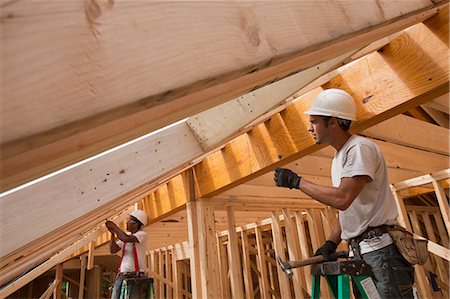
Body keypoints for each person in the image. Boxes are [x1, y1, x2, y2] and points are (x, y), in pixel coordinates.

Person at [273, 88, 415, 298]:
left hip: (380, 252)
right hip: (362, 252)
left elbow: (342, 199)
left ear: (333, 122)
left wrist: (297, 181)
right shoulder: (340, 157)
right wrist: (331, 242)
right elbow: (350, 208)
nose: (309, 128)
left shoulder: (359, 149)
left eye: (314, 122)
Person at [106, 209, 148, 299]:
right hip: (121, 276)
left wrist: (114, 227)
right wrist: (112, 234)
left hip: (135, 277)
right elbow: (113, 250)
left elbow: (125, 238)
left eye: (129, 221)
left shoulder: (142, 235)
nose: (126, 222)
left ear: (136, 224)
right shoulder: (127, 236)